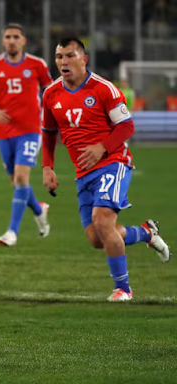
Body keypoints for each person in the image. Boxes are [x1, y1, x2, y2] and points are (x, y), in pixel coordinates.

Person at [41, 37, 170, 302]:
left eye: (70, 55)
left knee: (102, 220)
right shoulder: (51, 93)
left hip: (114, 162)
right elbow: (49, 132)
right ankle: (146, 232)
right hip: (83, 172)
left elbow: (126, 127)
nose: (63, 62)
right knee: (96, 237)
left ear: (83, 59)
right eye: (59, 56)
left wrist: (102, 147)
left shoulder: (104, 89)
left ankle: (123, 288)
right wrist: (47, 166)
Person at [0, 23, 52, 246]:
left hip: (30, 130)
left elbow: (51, 92)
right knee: (16, 182)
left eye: (16, 37)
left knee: (21, 178)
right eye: (8, 37)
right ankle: (40, 210)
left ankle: (12, 232)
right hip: (4, 133)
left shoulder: (37, 65)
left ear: (23, 40)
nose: (11, 40)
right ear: (3, 41)